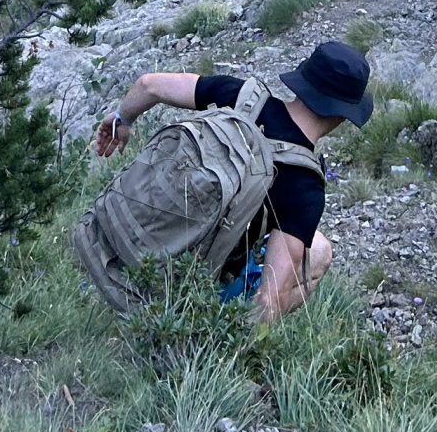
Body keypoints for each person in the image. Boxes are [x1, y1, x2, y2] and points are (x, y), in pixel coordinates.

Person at [93, 38, 373, 319]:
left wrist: (122, 120)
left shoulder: (241, 97)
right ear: (342, 114)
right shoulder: (305, 187)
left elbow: (148, 85)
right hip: (171, 291)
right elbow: (269, 301)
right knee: (320, 251)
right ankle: (217, 321)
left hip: (112, 234)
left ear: (303, 83)